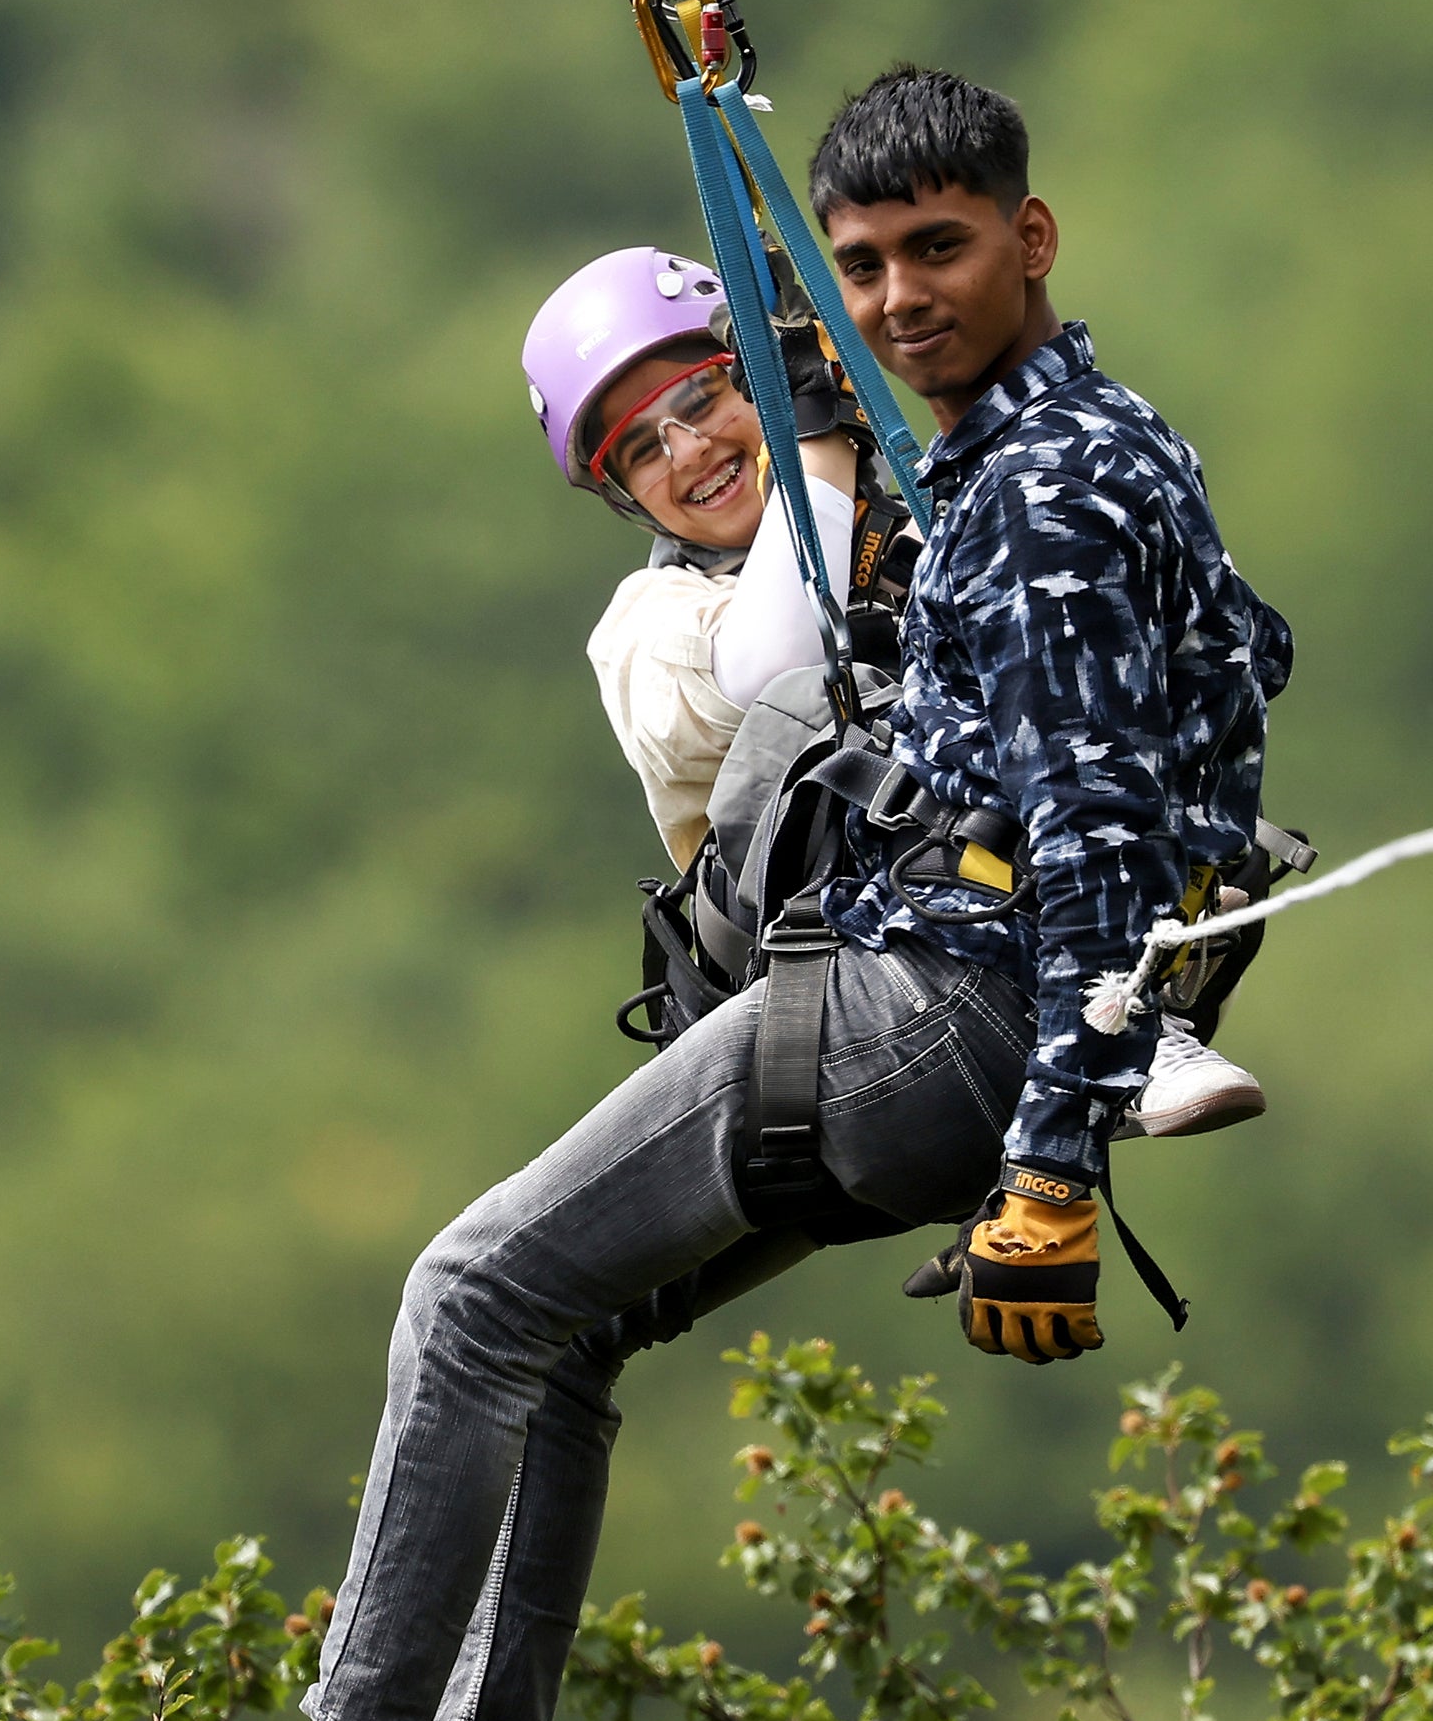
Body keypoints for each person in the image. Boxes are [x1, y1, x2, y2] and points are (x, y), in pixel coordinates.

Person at [51, 67, 1296, 1721]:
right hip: (934, 1024)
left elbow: (1103, 830)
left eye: (937, 255)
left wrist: (1053, 1161)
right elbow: (838, 396)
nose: (897, 298)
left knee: (472, 1295)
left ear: (1029, 244)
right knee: (559, 1338)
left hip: (932, 1009)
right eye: (865, 268)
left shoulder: (1027, 491)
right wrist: (706, 62)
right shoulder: (1009, 454)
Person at [534, 247, 1264, 1135]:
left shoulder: (920, 527)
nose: (690, 450)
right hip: (827, 983)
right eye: (640, 448)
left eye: (703, 398)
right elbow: (775, 659)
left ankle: (1123, 979)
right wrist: (817, 435)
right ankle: (1112, 1001)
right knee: (838, 711)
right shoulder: (647, 628)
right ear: (626, 499)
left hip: (983, 929)